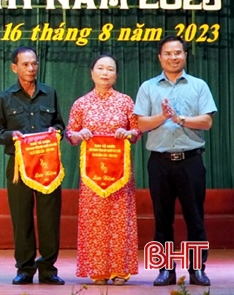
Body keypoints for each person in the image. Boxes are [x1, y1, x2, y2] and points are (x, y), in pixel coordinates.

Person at [134, 36, 216, 287]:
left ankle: (196, 269)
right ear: (160, 57)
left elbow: (207, 121)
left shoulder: (198, 85)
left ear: (185, 55)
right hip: (159, 162)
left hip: (190, 161)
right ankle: (165, 270)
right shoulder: (148, 87)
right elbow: (139, 124)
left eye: (178, 53)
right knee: (162, 218)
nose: (173, 57)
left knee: (195, 218)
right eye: (168, 53)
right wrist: (162, 116)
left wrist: (180, 119)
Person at [0, 46, 66, 286]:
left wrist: (57, 132)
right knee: (21, 217)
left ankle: (48, 269)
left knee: (49, 218)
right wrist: (13, 135)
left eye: (34, 64)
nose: (31, 68)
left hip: (47, 165)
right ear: (15, 68)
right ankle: (24, 268)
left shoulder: (49, 93)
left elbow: (60, 126)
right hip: (18, 166)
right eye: (25, 64)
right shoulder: (5, 97)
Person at [65, 54, 140, 285]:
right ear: (92, 73)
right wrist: (78, 135)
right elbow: (69, 133)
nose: (105, 72)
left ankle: (120, 270)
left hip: (120, 174)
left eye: (110, 69)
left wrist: (128, 134)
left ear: (116, 75)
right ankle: (98, 271)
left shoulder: (126, 101)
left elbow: (137, 131)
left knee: (120, 221)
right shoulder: (81, 103)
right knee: (94, 221)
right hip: (92, 176)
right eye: (100, 68)